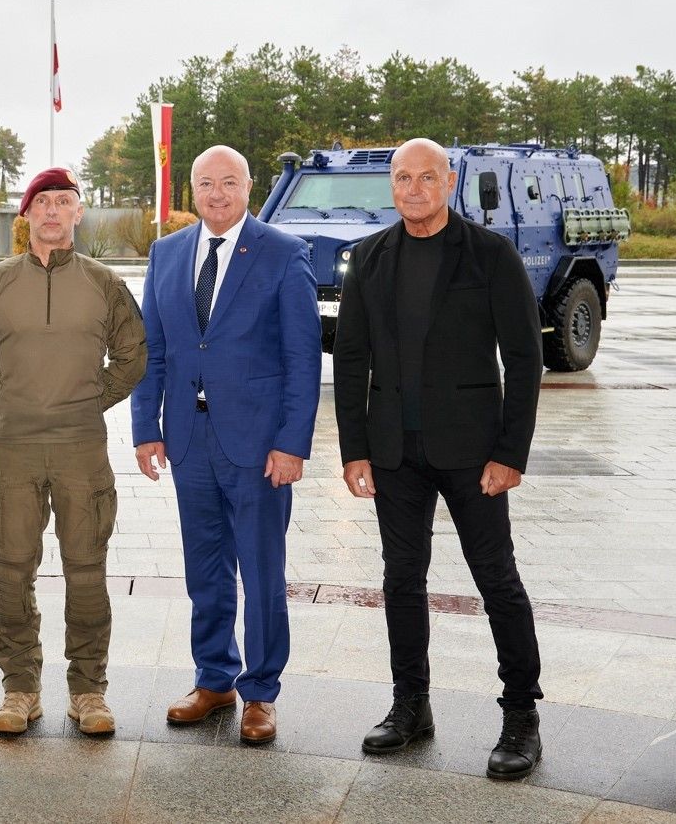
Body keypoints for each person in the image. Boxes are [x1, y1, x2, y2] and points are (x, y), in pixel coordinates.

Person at [333, 137, 545, 780]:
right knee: (401, 581)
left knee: (497, 581)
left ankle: (521, 716)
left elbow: (525, 358)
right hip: (395, 451)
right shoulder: (369, 258)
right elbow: (350, 359)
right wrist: (355, 449)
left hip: (474, 453)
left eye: (427, 177)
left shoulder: (489, 255)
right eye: (403, 178)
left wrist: (511, 451)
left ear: (448, 183)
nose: (414, 189)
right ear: (391, 187)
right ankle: (410, 706)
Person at [131, 145, 320, 746]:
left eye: (229, 182)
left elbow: (302, 359)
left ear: (249, 186)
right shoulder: (166, 254)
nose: (217, 193)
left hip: (259, 444)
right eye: (206, 183)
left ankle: (261, 691)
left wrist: (292, 443)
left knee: (262, 570)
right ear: (192, 190)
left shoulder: (284, 254)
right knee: (205, 568)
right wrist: (147, 427)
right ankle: (215, 679)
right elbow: (151, 351)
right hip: (189, 438)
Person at [0, 167, 147, 736]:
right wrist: (14, 402)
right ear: (27, 215)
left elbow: (133, 358)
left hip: (81, 449)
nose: (54, 212)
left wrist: (88, 403)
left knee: (87, 570)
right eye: (43, 203)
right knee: (11, 569)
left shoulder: (105, 284)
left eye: (65, 202)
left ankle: (89, 690)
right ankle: (20, 688)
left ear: (78, 214)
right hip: (12, 448)